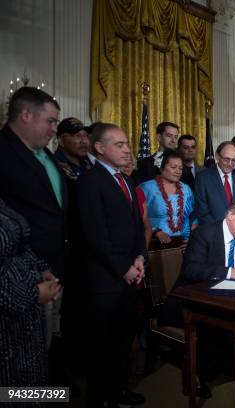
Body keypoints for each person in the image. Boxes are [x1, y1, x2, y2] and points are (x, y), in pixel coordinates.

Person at [158, 199, 235, 397]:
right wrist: (229, 272)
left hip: (228, 300)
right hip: (191, 302)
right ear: (230, 215)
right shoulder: (204, 234)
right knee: (214, 329)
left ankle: (224, 362)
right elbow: (191, 270)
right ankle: (195, 376)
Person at [77, 123, 147, 408]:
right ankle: (102, 398)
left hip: (131, 274)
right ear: (99, 148)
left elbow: (137, 226)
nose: (127, 149)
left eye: (127, 143)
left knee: (123, 341)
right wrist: (123, 268)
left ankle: (119, 391)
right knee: (103, 346)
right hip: (106, 280)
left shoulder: (126, 181)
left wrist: (141, 257)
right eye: (119, 144)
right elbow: (95, 235)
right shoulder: (90, 181)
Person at [0, 87, 67, 355]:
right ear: (26, 114)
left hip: (51, 267)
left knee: (48, 344)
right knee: (22, 357)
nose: (54, 129)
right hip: (18, 277)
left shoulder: (45, 154)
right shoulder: (4, 151)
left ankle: (48, 392)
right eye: (50, 121)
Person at [1, 198, 61, 388]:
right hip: (8, 322)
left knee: (31, 389)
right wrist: (34, 293)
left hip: (24, 324)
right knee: (11, 392)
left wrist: (42, 269)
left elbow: (21, 243)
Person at [139, 150, 196, 248]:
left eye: (180, 168)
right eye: (173, 167)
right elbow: (137, 218)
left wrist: (190, 238)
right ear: (161, 168)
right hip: (155, 244)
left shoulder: (186, 189)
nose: (178, 171)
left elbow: (193, 216)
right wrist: (155, 231)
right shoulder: (146, 188)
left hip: (183, 245)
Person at [194, 141, 235, 225]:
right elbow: (202, 211)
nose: (230, 164)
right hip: (213, 232)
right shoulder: (203, 178)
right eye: (226, 159)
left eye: (234, 160)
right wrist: (222, 230)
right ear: (217, 156)